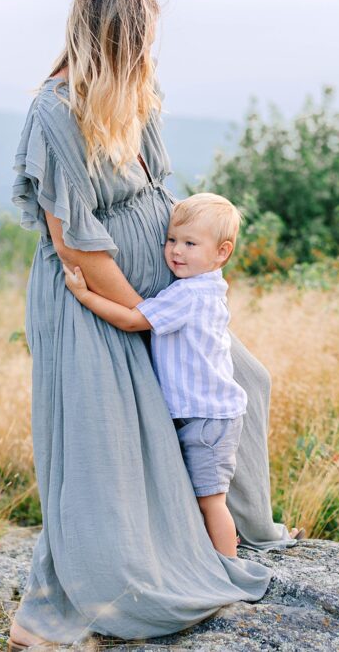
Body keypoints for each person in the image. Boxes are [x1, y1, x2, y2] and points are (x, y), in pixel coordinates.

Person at [7, 0, 298, 649]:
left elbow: (158, 190)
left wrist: (189, 281)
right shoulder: (55, 111)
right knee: (103, 446)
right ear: (126, 30)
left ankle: (218, 527)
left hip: (164, 298)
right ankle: (47, 616)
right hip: (98, 302)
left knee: (243, 380)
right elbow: (72, 240)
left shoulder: (140, 95)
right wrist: (145, 317)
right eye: (148, 27)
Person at [63, 193, 263, 558]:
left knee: (210, 500)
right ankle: (213, 555)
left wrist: (85, 294)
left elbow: (131, 320)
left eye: (190, 243)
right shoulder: (207, 285)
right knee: (201, 496)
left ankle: (229, 567)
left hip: (208, 419)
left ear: (222, 253)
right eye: (171, 240)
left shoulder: (189, 294)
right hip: (205, 413)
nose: (176, 251)